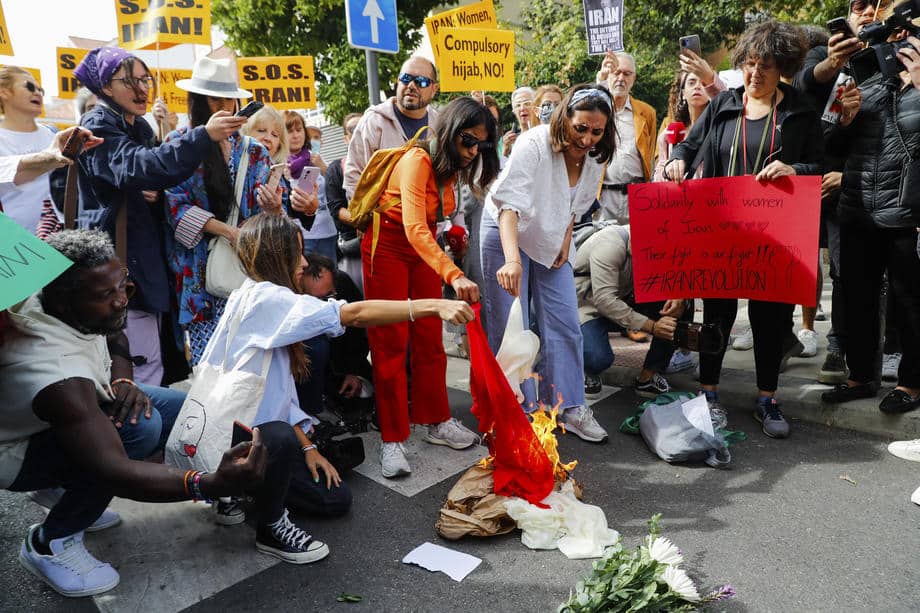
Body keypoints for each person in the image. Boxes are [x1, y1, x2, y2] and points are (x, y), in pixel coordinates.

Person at [0, 229, 266, 597]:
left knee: (186, 410)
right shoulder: (59, 377)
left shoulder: (62, 299)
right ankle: (51, 540)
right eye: (105, 295)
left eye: (122, 284)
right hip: (15, 450)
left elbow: (114, 336)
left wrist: (123, 379)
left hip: (51, 415)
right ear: (63, 302)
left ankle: (62, 490)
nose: (122, 300)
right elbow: (116, 470)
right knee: (138, 431)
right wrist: (207, 483)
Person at [205, 213, 474, 524]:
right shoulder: (270, 299)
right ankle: (264, 515)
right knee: (335, 498)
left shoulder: (250, 290)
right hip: (244, 436)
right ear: (276, 256)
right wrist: (434, 305)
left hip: (241, 423)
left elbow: (273, 399)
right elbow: (355, 314)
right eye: (297, 253)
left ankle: (250, 481)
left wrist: (308, 449)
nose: (304, 263)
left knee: (324, 468)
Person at [664, 20, 824, 438]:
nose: (755, 74)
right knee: (717, 314)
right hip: (722, 229)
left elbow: (819, 165)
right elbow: (690, 144)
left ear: (783, 68)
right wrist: (676, 160)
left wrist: (794, 169)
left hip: (774, 234)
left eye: (766, 66)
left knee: (769, 317)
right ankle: (708, 395)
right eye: (750, 64)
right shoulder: (724, 104)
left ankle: (767, 398)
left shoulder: (800, 111)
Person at [75, 48, 246, 386]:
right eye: (129, 81)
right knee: (139, 373)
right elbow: (141, 167)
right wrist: (204, 137)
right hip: (125, 269)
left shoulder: (138, 126)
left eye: (145, 80)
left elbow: (149, 177)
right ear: (105, 87)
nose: (142, 90)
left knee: (158, 366)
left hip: (150, 268)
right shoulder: (98, 124)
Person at [362, 96, 499, 477]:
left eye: (481, 145)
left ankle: (436, 419)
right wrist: (453, 274)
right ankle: (393, 438)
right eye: (468, 141)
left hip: (422, 249)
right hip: (386, 247)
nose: (473, 151)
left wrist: (452, 240)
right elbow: (412, 226)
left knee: (429, 337)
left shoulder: (451, 166)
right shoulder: (416, 160)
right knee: (391, 343)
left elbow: (430, 223)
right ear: (451, 132)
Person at [481, 84, 616, 443]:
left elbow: (575, 206)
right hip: (506, 229)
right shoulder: (534, 143)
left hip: (551, 232)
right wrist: (513, 260)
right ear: (564, 118)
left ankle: (568, 406)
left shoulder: (596, 155)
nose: (587, 138)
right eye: (580, 128)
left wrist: (565, 240)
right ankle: (520, 411)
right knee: (512, 325)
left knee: (566, 321)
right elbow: (509, 207)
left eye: (597, 131)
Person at [819, 25, 920, 414]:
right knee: (856, 296)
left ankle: (911, 383)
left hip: (906, 212)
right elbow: (826, 142)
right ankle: (860, 376)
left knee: (910, 302)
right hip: (857, 207)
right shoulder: (861, 77)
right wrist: (843, 119)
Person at [163, 57, 286, 366]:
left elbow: (272, 214)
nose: (224, 107)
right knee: (209, 366)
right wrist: (228, 231)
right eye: (214, 99)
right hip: (198, 269)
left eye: (229, 99)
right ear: (198, 101)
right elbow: (175, 206)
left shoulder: (254, 151)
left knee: (249, 362)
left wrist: (273, 208)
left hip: (247, 267)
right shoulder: (179, 143)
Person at [574, 224, 700, 412]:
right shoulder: (610, 244)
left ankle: (648, 376)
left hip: (626, 298)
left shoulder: (662, 245)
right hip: (589, 305)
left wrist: (678, 296)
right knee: (597, 359)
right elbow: (605, 301)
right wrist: (651, 326)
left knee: (680, 306)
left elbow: (681, 275)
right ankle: (585, 369)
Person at [296, 252, 374, 431]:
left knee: (363, 394)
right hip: (307, 361)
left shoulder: (343, 284)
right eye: (317, 299)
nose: (324, 304)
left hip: (343, 358)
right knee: (317, 348)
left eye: (328, 296)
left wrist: (352, 371)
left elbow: (358, 332)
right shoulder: (289, 293)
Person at [344, 56, 441, 199]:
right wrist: (370, 211)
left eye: (421, 81)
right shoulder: (374, 122)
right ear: (398, 81)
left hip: (429, 212)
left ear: (434, 89)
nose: (411, 85)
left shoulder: (440, 125)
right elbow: (353, 177)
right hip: (383, 212)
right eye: (405, 78)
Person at [595, 52, 657, 224]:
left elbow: (650, 154)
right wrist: (600, 81)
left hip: (638, 196)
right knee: (603, 241)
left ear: (634, 78)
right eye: (616, 72)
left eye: (627, 74)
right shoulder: (597, 110)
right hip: (604, 198)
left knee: (638, 240)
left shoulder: (646, 112)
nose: (621, 78)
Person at [0, 66, 57, 235]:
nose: (37, 93)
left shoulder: (53, 135)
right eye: (30, 87)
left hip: (52, 241)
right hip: (9, 242)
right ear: (4, 92)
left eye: (41, 90)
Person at [325, 112, 364, 290]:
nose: (358, 133)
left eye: (362, 127)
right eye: (353, 129)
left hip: (385, 246)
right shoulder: (336, 169)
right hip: (354, 249)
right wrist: (363, 222)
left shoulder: (382, 164)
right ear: (346, 138)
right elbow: (336, 209)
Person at [500, 86, 535, 160]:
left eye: (527, 103)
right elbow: (502, 166)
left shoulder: (544, 134)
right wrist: (506, 150)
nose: (522, 108)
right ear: (514, 111)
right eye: (518, 105)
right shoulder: (510, 140)